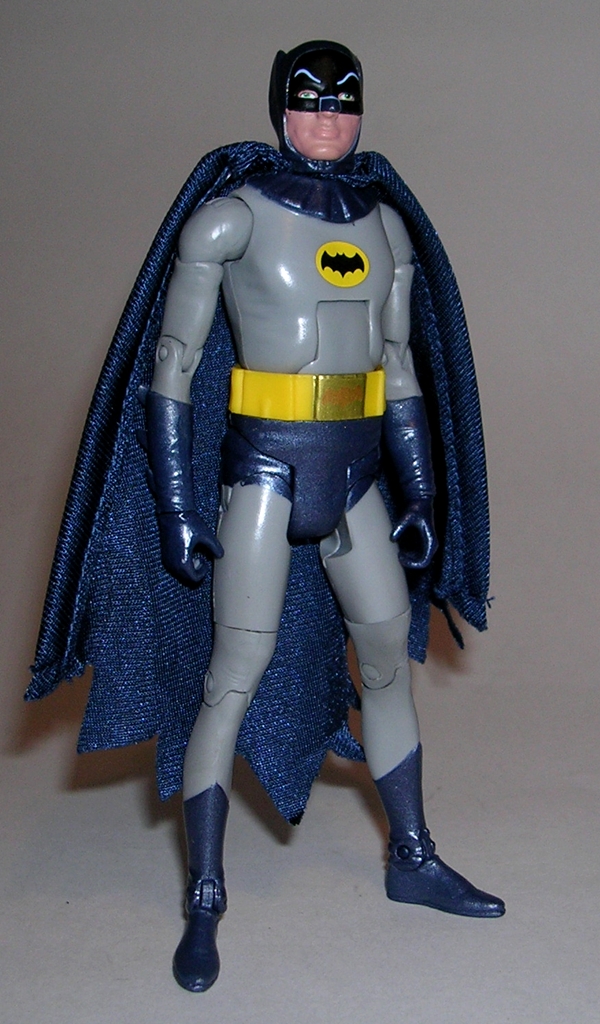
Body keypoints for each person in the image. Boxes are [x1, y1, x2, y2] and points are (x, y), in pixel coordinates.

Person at [28, 40, 503, 995]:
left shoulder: (387, 228)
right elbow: (172, 367)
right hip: (264, 476)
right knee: (231, 676)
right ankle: (206, 893)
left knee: (385, 660)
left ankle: (412, 854)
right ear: (280, 107)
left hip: (357, 478)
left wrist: (421, 491)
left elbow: (400, 370)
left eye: (344, 99)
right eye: (309, 98)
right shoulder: (230, 219)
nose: (327, 115)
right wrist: (174, 503)